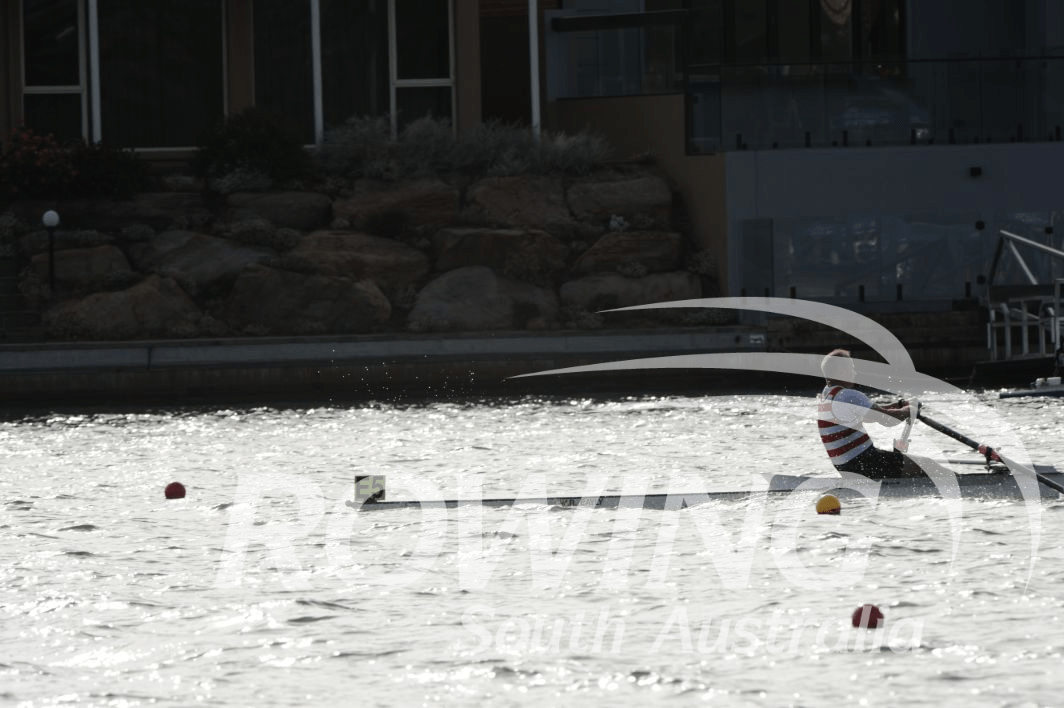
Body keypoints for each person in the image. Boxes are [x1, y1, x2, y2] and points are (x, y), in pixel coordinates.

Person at [817, 348, 925, 479]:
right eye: (852, 368)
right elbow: (887, 420)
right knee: (928, 466)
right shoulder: (848, 396)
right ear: (841, 371)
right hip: (867, 463)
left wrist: (900, 405)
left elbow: (871, 415)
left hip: (847, 467)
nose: (855, 372)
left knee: (904, 460)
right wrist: (909, 410)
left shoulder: (827, 396)